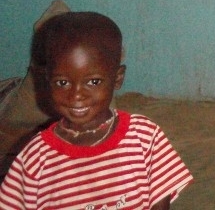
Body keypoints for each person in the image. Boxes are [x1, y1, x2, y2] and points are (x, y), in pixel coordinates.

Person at [0, 11, 193, 209]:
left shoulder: (145, 137)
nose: (76, 95)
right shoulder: (36, 158)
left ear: (117, 78)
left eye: (93, 82)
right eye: (63, 82)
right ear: (47, 80)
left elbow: (160, 203)